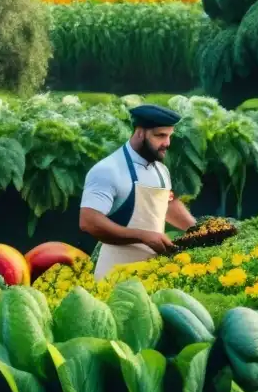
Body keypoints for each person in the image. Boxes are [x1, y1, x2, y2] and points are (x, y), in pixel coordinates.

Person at [79, 103, 196, 280]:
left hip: (152, 276)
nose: (167, 143)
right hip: (114, 277)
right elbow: (89, 221)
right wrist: (142, 236)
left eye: (169, 136)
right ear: (140, 133)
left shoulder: (160, 169)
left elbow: (167, 204)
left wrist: (196, 230)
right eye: (160, 136)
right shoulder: (108, 170)